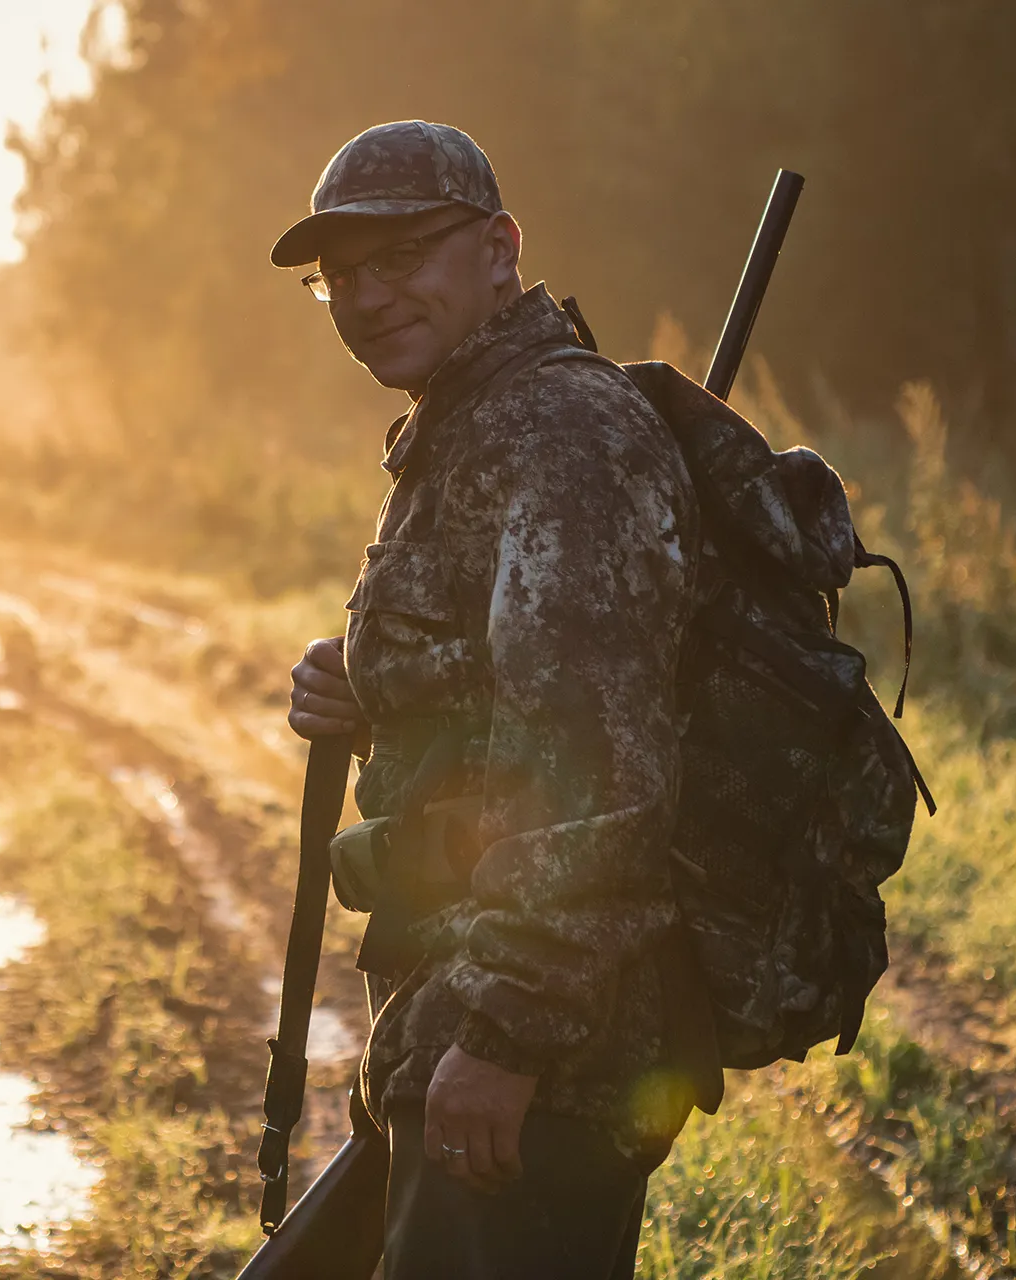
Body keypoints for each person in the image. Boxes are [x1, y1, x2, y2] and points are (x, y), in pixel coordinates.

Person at [278, 120, 699, 1280]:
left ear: (500, 249)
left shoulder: (561, 434)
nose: (368, 295)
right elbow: (517, 679)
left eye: (401, 254)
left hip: (535, 1056)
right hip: (458, 1003)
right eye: (341, 275)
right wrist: (376, 683)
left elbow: (597, 769)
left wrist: (509, 1030)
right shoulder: (472, 420)